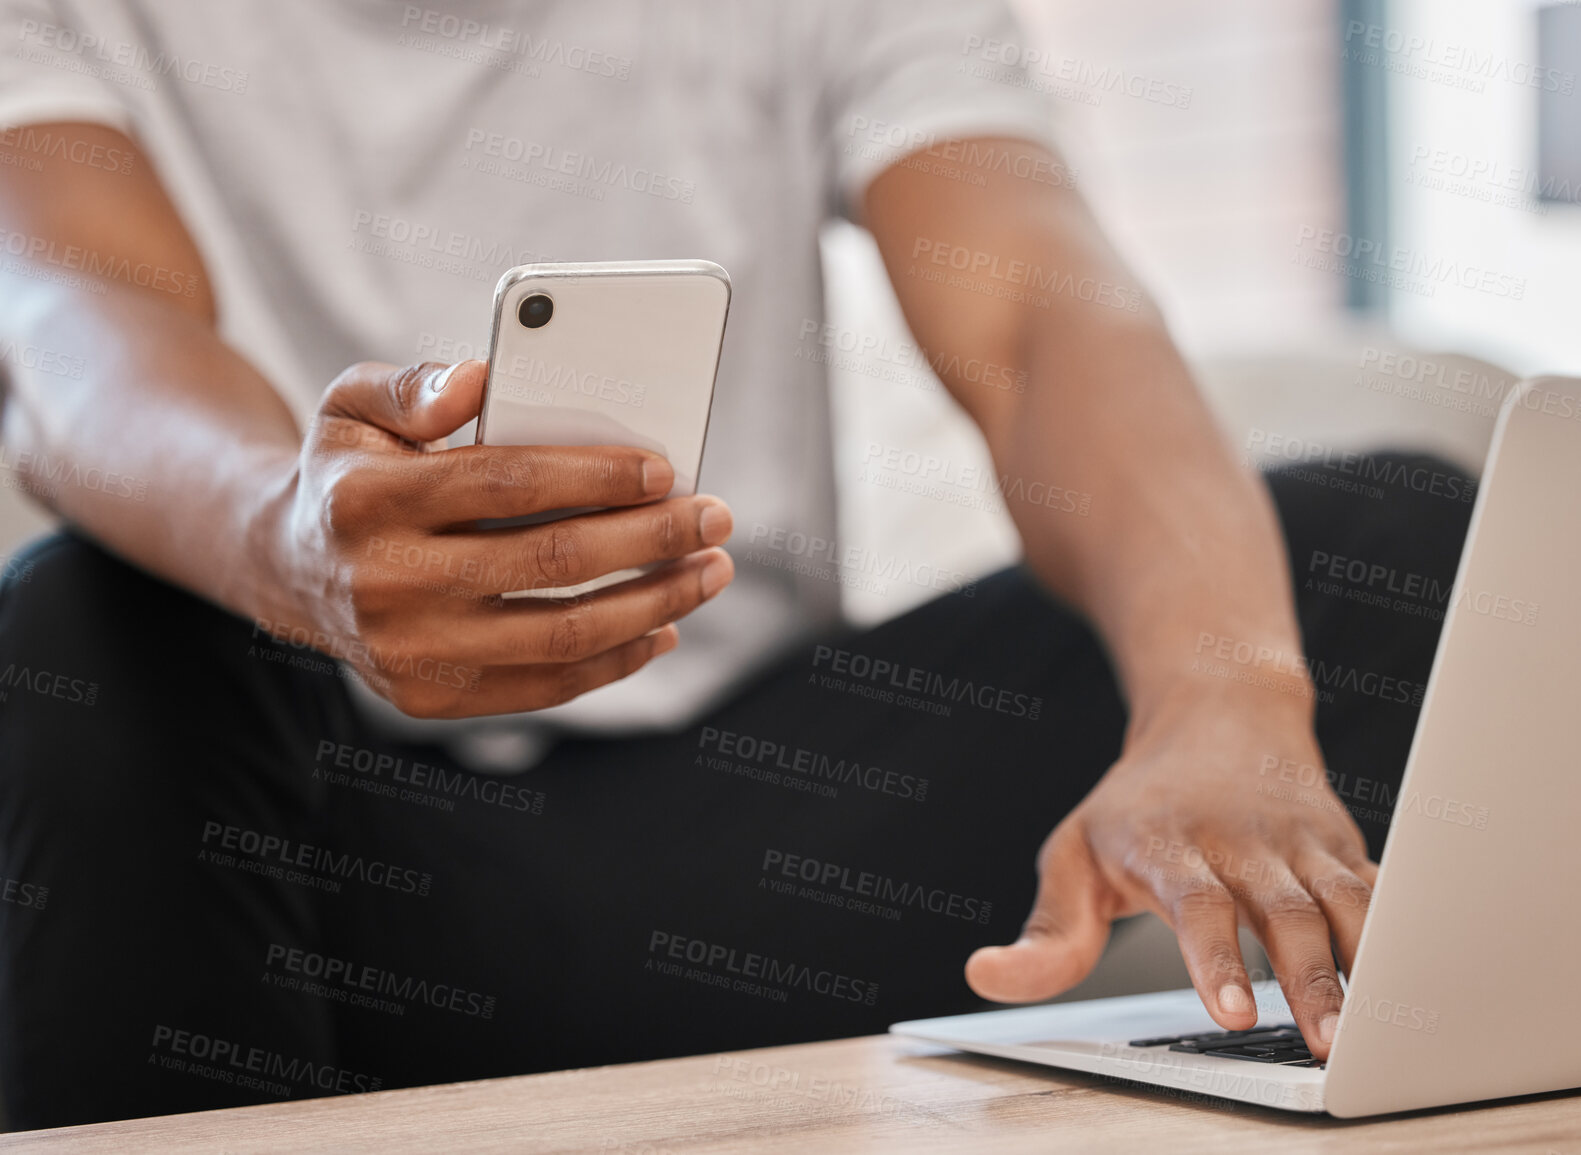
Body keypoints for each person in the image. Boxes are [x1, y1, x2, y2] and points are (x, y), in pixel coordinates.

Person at [0, 0, 1471, 1129]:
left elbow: (1035, 312)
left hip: (744, 849)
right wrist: (292, 543)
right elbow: (71, 321)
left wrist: (1221, 701)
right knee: (79, 627)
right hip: (324, 871)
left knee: (1391, 544)